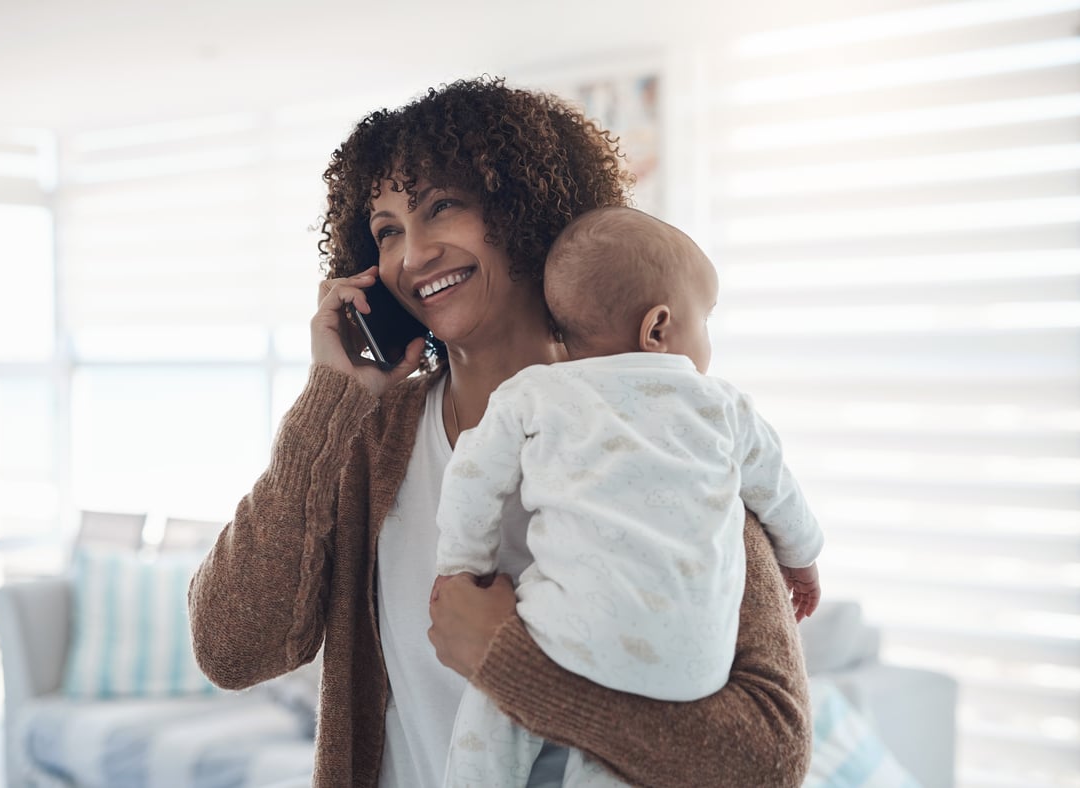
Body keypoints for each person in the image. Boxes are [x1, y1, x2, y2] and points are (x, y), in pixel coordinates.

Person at [187, 76, 813, 788]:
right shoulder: (371, 437)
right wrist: (332, 396)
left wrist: (508, 664)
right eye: (388, 229)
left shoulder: (667, 418)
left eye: (441, 208)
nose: (411, 255)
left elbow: (768, 758)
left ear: (526, 211)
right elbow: (231, 648)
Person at [434, 206, 824, 787]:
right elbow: (778, 490)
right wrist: (803, 558)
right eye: (707, 320)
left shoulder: (535, 395)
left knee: (493, 721)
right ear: (658, 328)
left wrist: (463, 566)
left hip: (565, 633)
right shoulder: (720, 406)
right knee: (617, 763)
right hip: (691, 665)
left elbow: (472, 476)